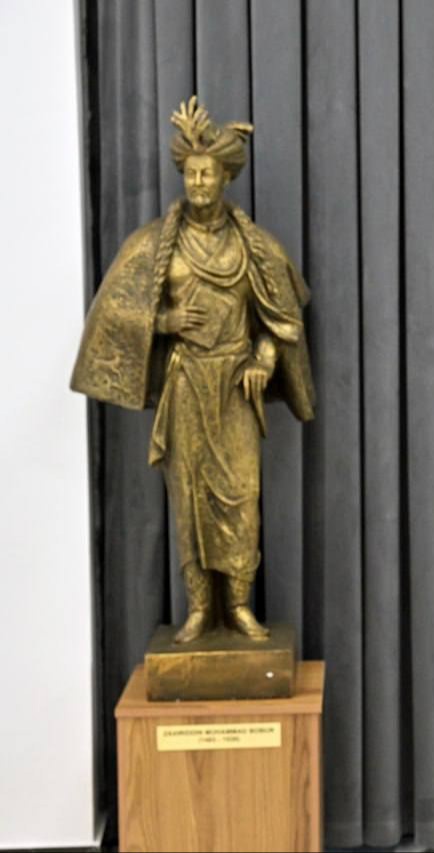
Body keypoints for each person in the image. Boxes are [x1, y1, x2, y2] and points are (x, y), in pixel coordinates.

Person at [72, 97, 315, 644]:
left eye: (208, 173)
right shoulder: (157, 245)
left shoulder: (253, 246)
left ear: (226, 177)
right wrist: (164, 320)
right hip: (185, 384)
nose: (199, 183)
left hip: (233, 389)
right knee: (189, 501)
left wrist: (263, 358)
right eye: (191, 173)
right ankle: (200, 609)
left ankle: (240, 606)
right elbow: (116, 313)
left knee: (240, 499)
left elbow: (280, 319)